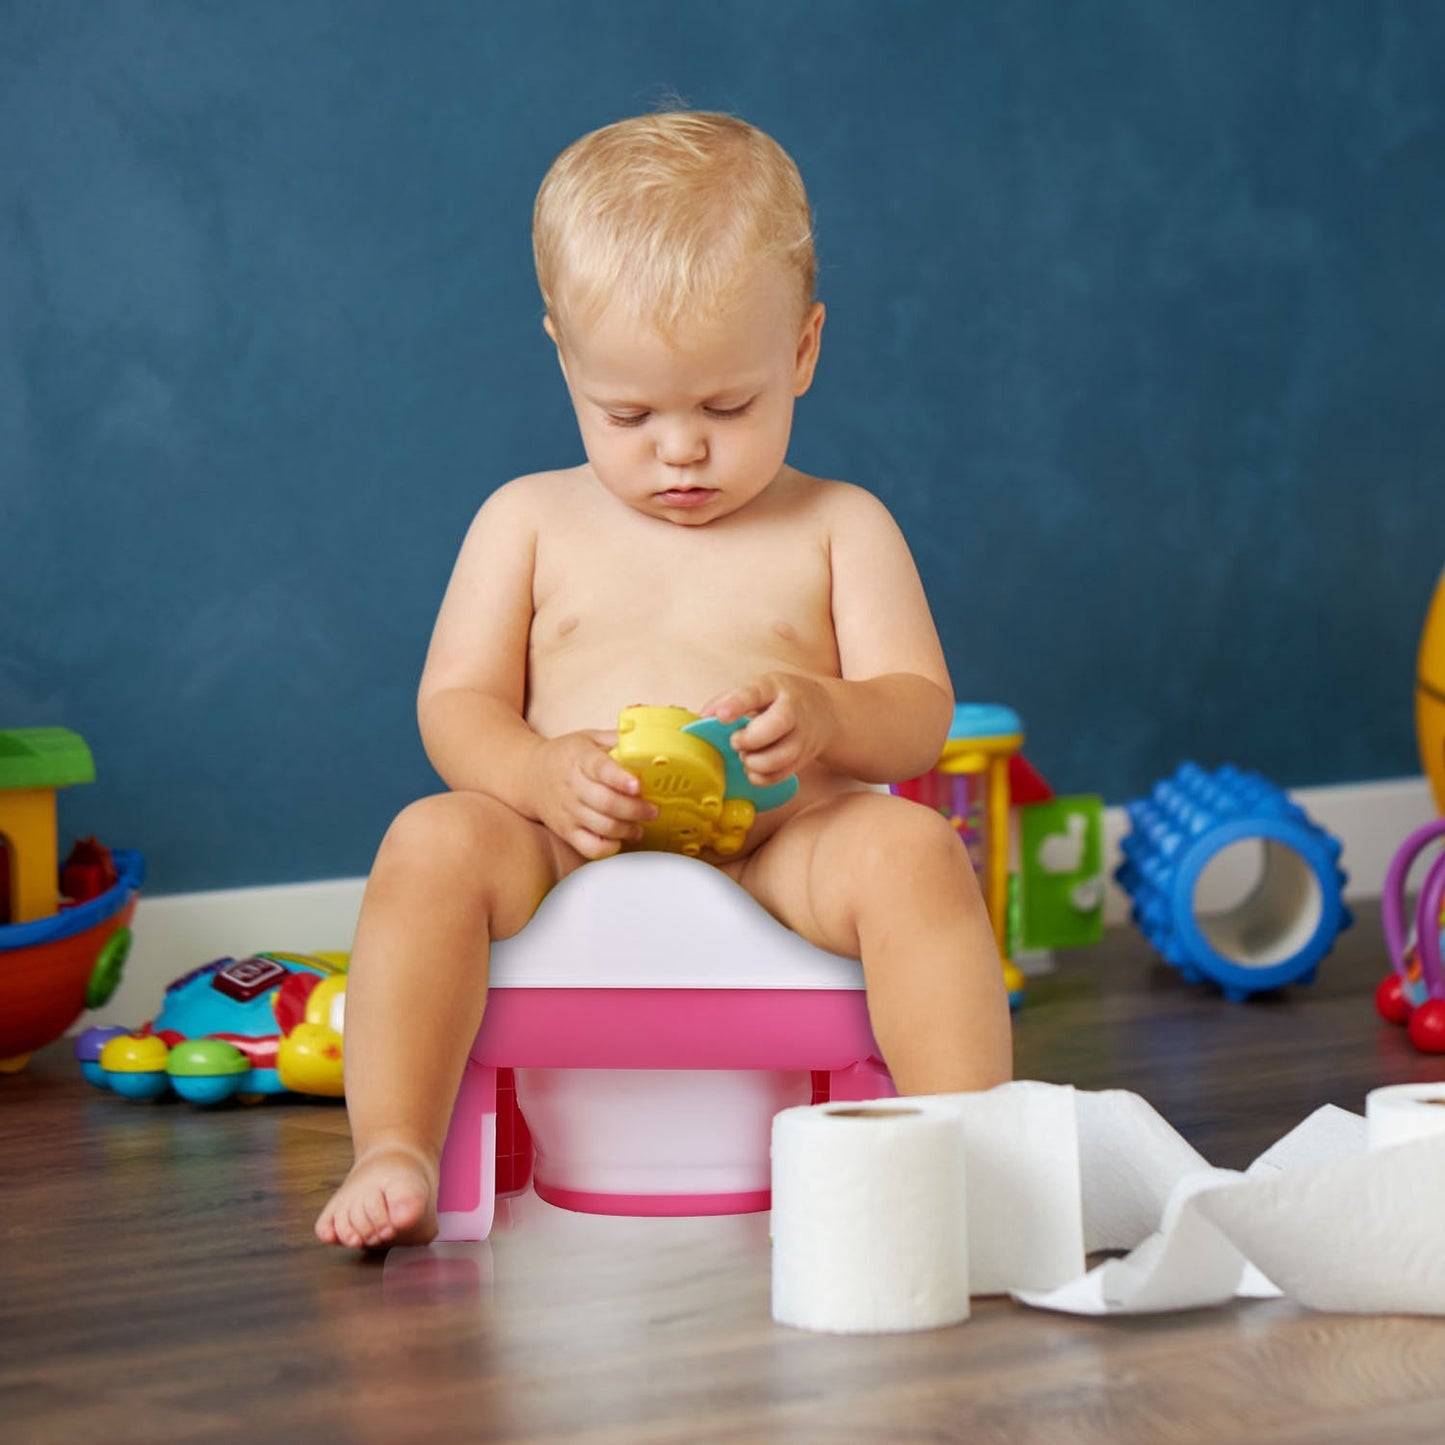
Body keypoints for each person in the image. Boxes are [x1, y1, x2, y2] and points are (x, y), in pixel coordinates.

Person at [316, 110, 1011, 1251]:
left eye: (724, 408)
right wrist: (537, 772)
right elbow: (456, 705)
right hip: (568, 842)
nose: (678, 449)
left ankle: (972, 1152)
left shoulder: (841, 524)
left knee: (915, 852)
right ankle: (394, 1139)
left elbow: (917, 715)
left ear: (801, 350)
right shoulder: (525, 520)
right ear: (563, 357)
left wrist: (831, 713)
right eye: (626, 414)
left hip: (783, 847)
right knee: (428, 841)